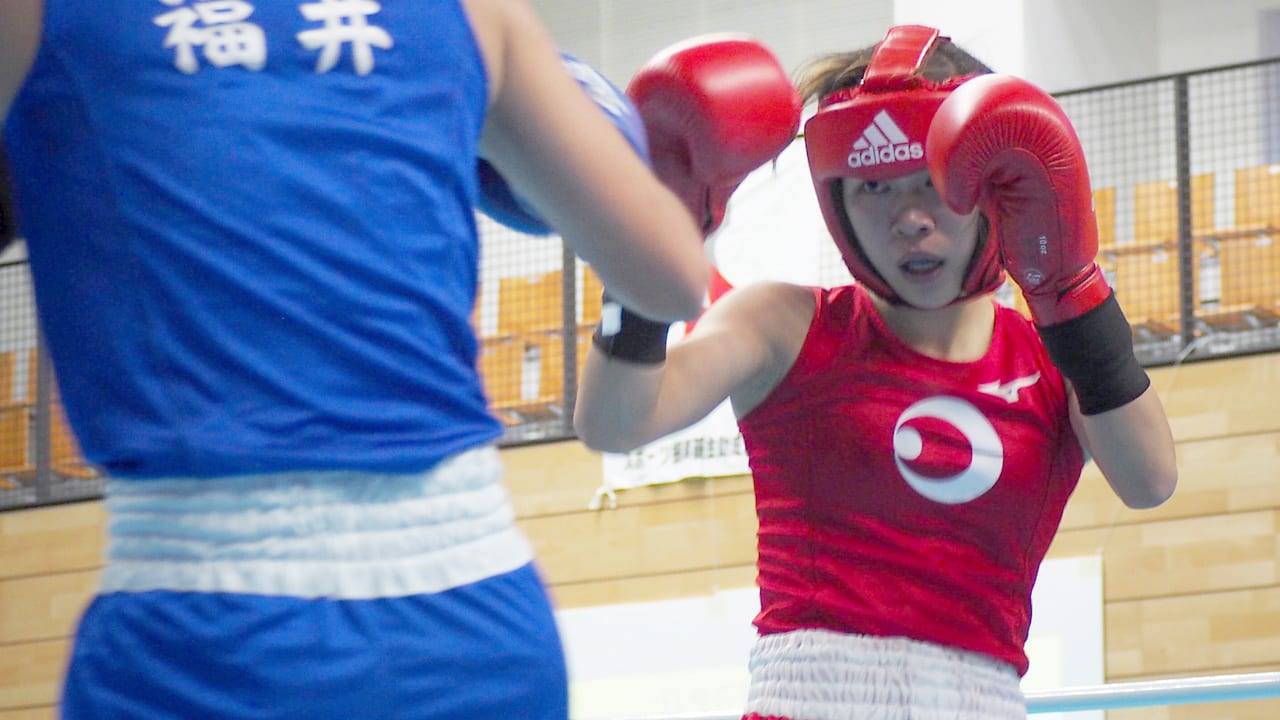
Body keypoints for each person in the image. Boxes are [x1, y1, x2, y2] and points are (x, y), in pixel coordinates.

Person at [0, 2, 797, 719]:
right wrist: (667, 197)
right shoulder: (469, 14)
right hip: (472, 610)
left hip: (200, 623)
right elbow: (668, 279)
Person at [575, 24, 1178, 720]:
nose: (910, 219)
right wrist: (649, 253)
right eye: (874, 189)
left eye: (931, 183)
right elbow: (613, 423)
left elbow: (1150, 481)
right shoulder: (784, 325)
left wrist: (1069, 291)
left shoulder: (1052, 354)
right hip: (807, 698)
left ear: (995, 187)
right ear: (837, 203)